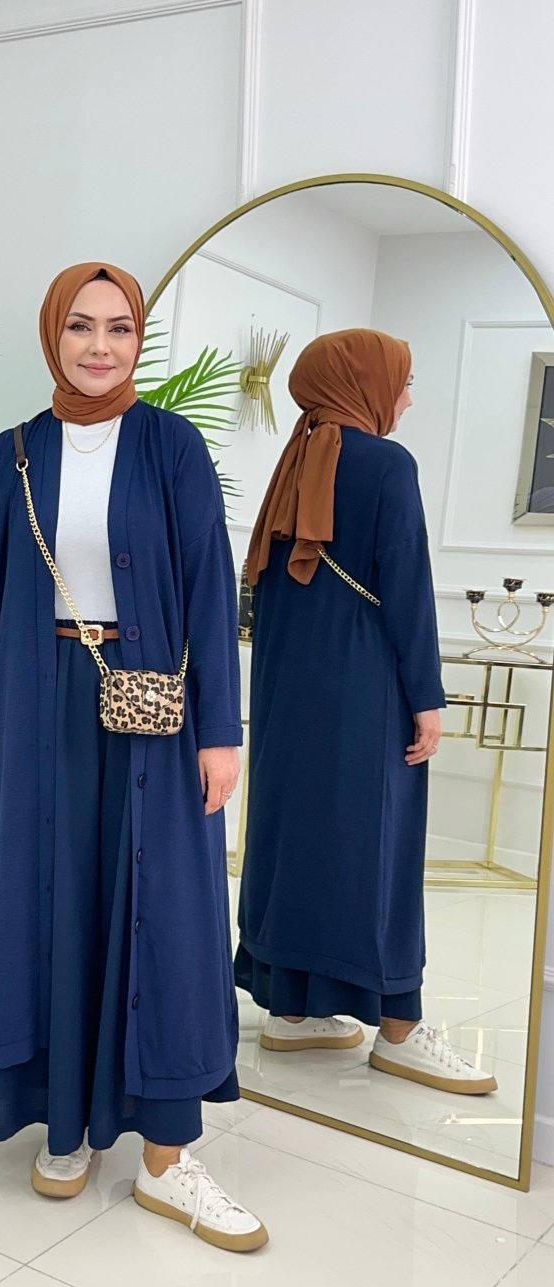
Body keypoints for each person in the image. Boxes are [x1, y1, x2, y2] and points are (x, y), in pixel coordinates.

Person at [0, 261, 268, 1252]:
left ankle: (168, 1156)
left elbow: (210, 587)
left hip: (151, 705)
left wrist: (222, 730)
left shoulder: (171, 445)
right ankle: (64, 1122)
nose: (99, 345)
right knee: (41, 901)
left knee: (164, 910)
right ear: (54, 335)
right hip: (30, 700)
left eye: (119, 327)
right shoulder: (12, 454)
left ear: (138, 338)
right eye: (80, 326)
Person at [235, 328, 496, 1096]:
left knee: (297, 838)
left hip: (286, 698)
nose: (408, 398)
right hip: (363, 694)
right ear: (364, 383)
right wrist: (426, 697)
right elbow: (407, 588)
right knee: (378, 848)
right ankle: (401, 1031)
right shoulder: (386, 464)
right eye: (403, 381)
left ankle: (295, 1010)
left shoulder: (294, 462)